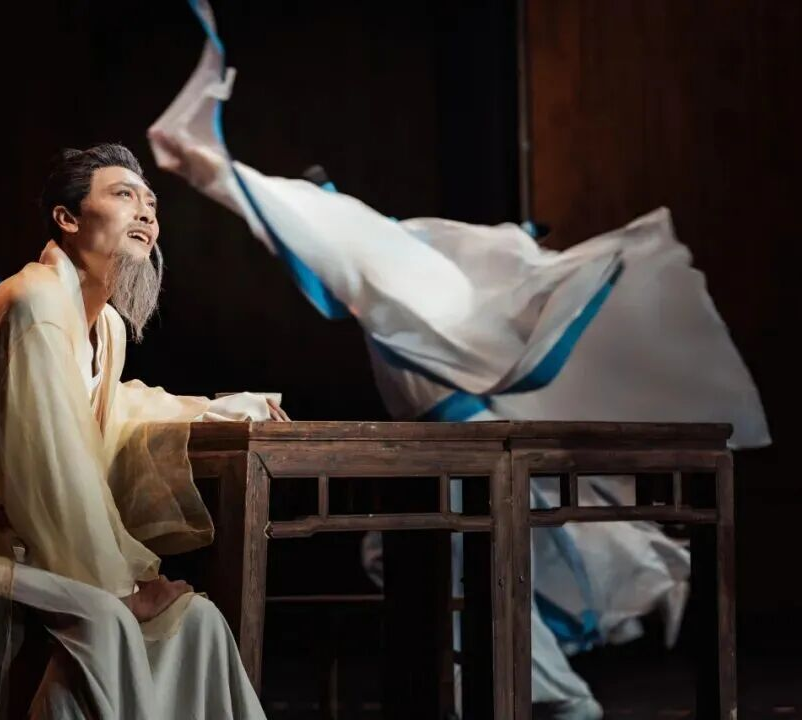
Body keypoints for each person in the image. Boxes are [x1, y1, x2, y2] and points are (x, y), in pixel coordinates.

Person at [145, 4, 768, 718]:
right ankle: (501, 687)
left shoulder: (395, 265)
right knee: (437, 559)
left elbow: (324, 232)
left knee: (480, 561)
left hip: (474, 448)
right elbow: (327, 236)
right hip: (458, 446)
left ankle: (535, 690)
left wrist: (213, 168)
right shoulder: (402, 268)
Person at [0, 144, 286, 719]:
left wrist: (224, 410)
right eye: (124, 195)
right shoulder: (33, 302)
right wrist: (120, 585)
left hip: (17, 541)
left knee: (199, 620)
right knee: (106, 619)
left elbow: (114, 410)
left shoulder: (106, 325)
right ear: (67, 218)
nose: (146, 213)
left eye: (151, 202)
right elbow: (52, 459)